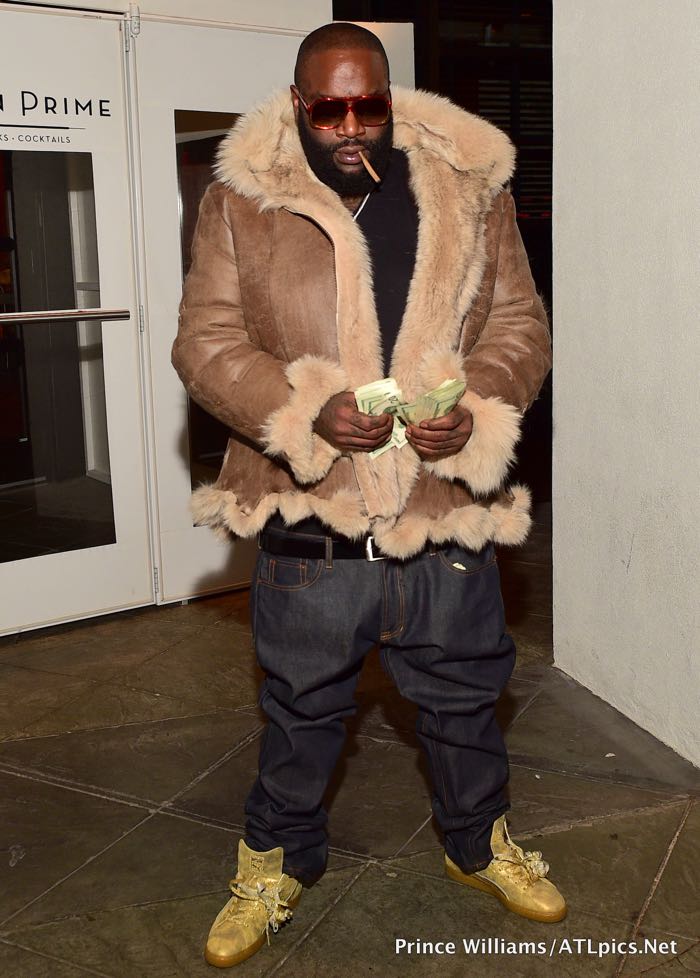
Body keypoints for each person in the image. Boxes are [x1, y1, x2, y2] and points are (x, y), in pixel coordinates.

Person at [172, 21, 562, 970]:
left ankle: (479, 845)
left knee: (467, 700)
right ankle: (273, 866)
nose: (352, 126)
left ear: (390, 95)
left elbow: (519, 324)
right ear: (298, 102)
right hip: (315, 514)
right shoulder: (241, 201)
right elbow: (206, 343)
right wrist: (305, 411)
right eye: (329, 108)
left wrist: (477, 405)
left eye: (370, 104)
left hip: (441, 507)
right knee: (300, 711)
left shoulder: (470, 189)